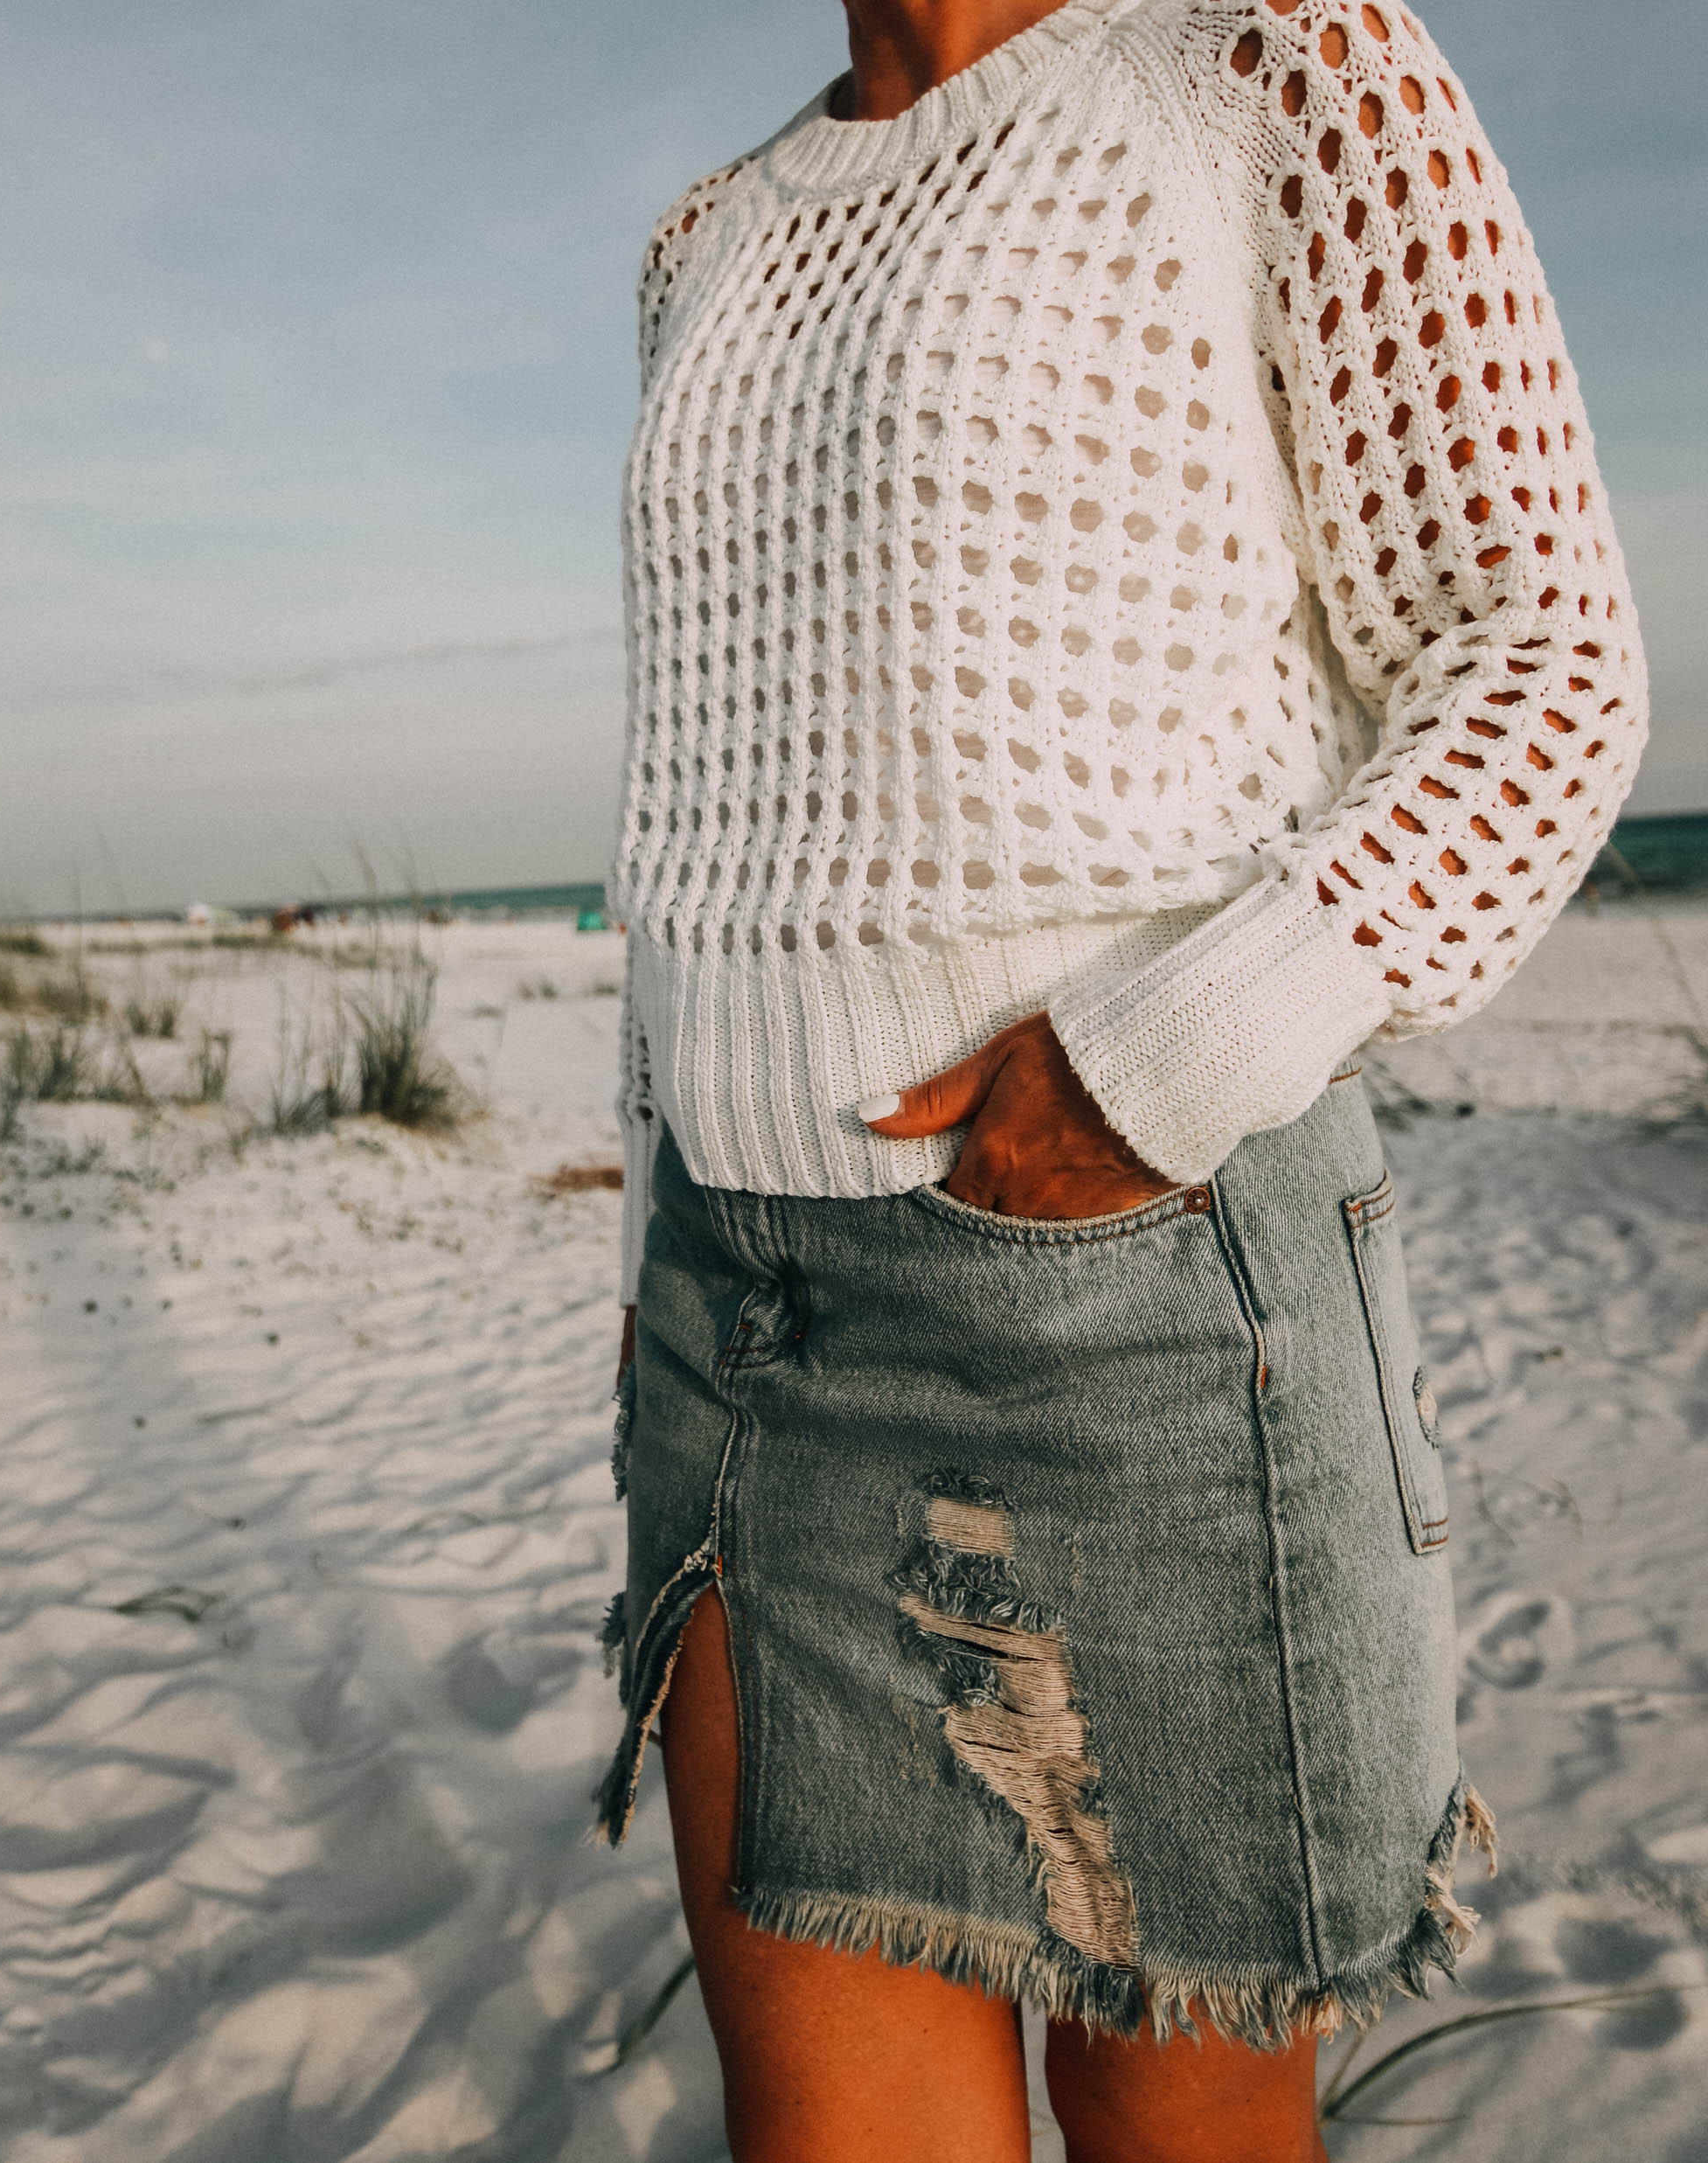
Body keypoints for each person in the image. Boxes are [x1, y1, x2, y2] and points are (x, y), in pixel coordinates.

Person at [594, 0, 1646, 2154]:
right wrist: (663, 1218)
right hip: (737, 1332)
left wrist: (1151, 1068)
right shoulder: (701, 237)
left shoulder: (1276, 64)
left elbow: (1539, 659)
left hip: (1133, 1307)